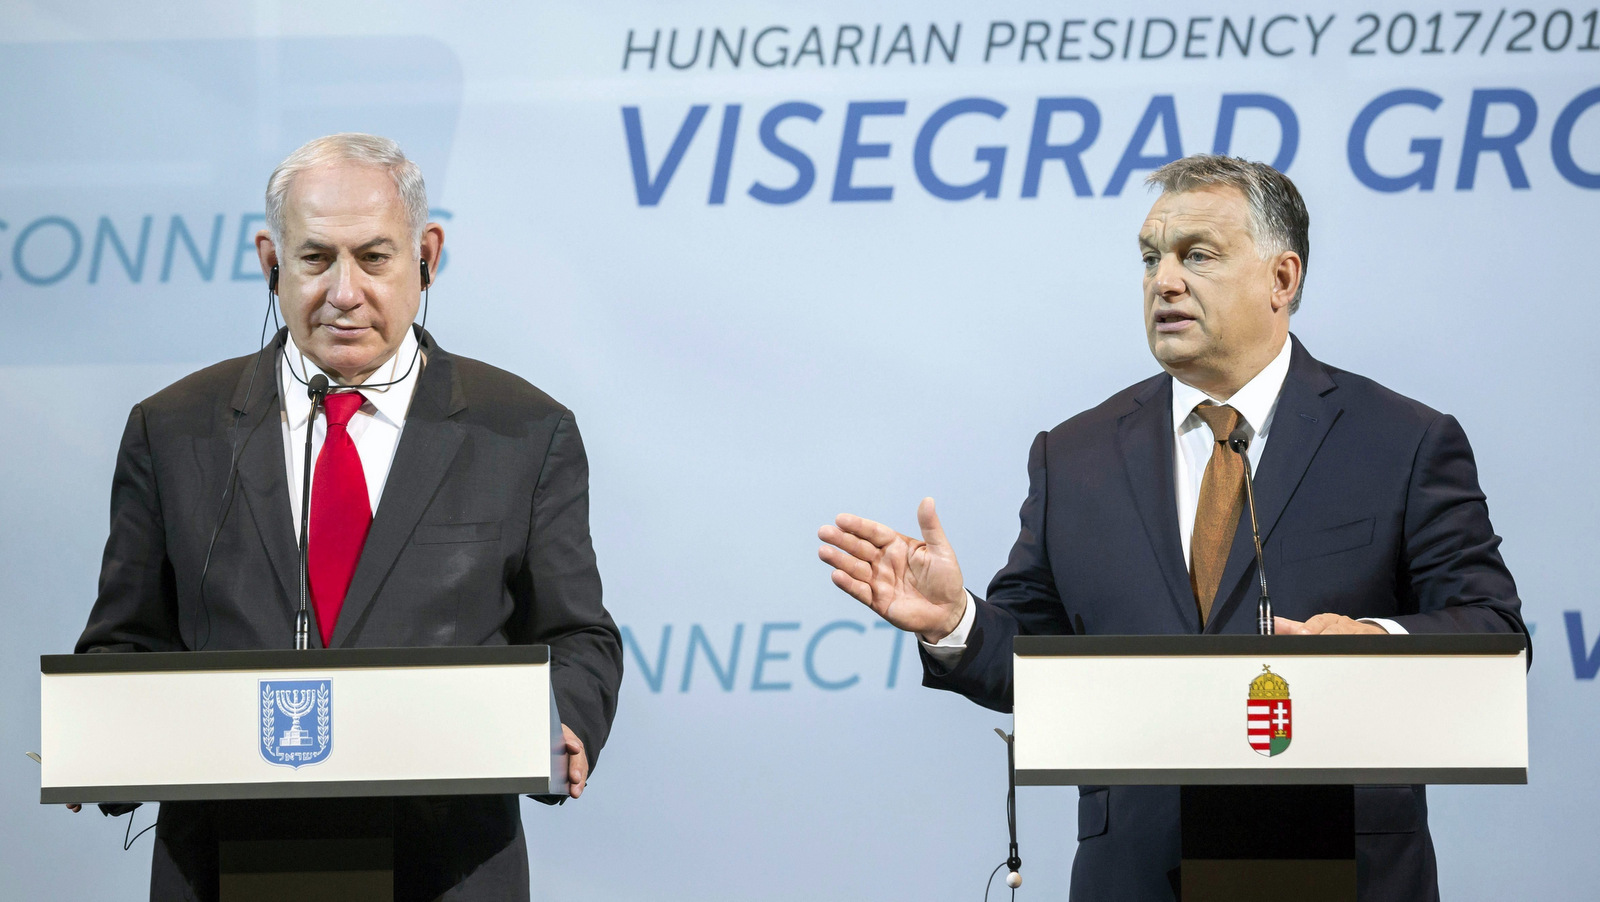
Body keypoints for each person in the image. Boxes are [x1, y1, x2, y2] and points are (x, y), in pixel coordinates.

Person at [817, 154, 1526, 901]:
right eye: (1151, 258)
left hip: (1338, 868)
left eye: (1198, 256)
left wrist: (1375, 645)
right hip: (1135, 876)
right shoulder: (1076, 455)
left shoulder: (1401, 440)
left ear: (1282, 280)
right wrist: (956, 621)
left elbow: (1492, 629)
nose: (1165, 281)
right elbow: (1035, 654)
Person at [72, 133, 622, 901]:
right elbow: (123, 639)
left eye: (374, 257)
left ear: (426, 254)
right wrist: (102, 736)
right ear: (271, 260)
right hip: (227, 867)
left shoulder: (524, 430)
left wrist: (562, 718)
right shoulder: (174, 429)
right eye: (314, 259)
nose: (344, 290)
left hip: (447, 865)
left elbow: (576, 633)